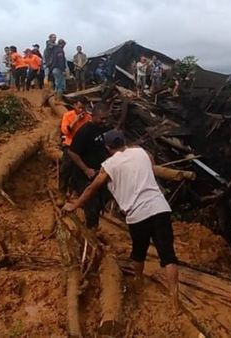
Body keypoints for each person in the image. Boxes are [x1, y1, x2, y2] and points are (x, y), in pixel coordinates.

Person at [62, 129, 180, 304]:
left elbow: (91, 189)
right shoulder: (141, 152)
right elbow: (150, 162)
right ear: (124, 141)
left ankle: (138, 281)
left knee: (139, 253)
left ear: (108, 147)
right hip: (160, 207)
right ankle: (174, 296)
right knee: (168, 255)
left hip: (138, 214)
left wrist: (75, 204)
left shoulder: (109, 165)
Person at [66, 103, 111, 228]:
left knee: (99, 202)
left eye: (106, 118)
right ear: (93, 116)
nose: (104, 121)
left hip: (98, 173)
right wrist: (86, 170)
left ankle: (94, 227)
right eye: (101, 118)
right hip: (85, 175)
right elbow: (72, 152)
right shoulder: (85, 131)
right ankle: (90, 230)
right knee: (91, 204)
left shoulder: (101, 129)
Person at [59, 96, 92, 194]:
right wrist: (75, 121)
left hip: (82, 147)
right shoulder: (67, 115)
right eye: (79, 107)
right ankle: (62, 191)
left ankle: (75, 191)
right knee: (65, 168)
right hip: (70, 145)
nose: (81, 110)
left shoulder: (88, 118)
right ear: (74, 106)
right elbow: (65, 131)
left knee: (78, 170)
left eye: (83, 108)